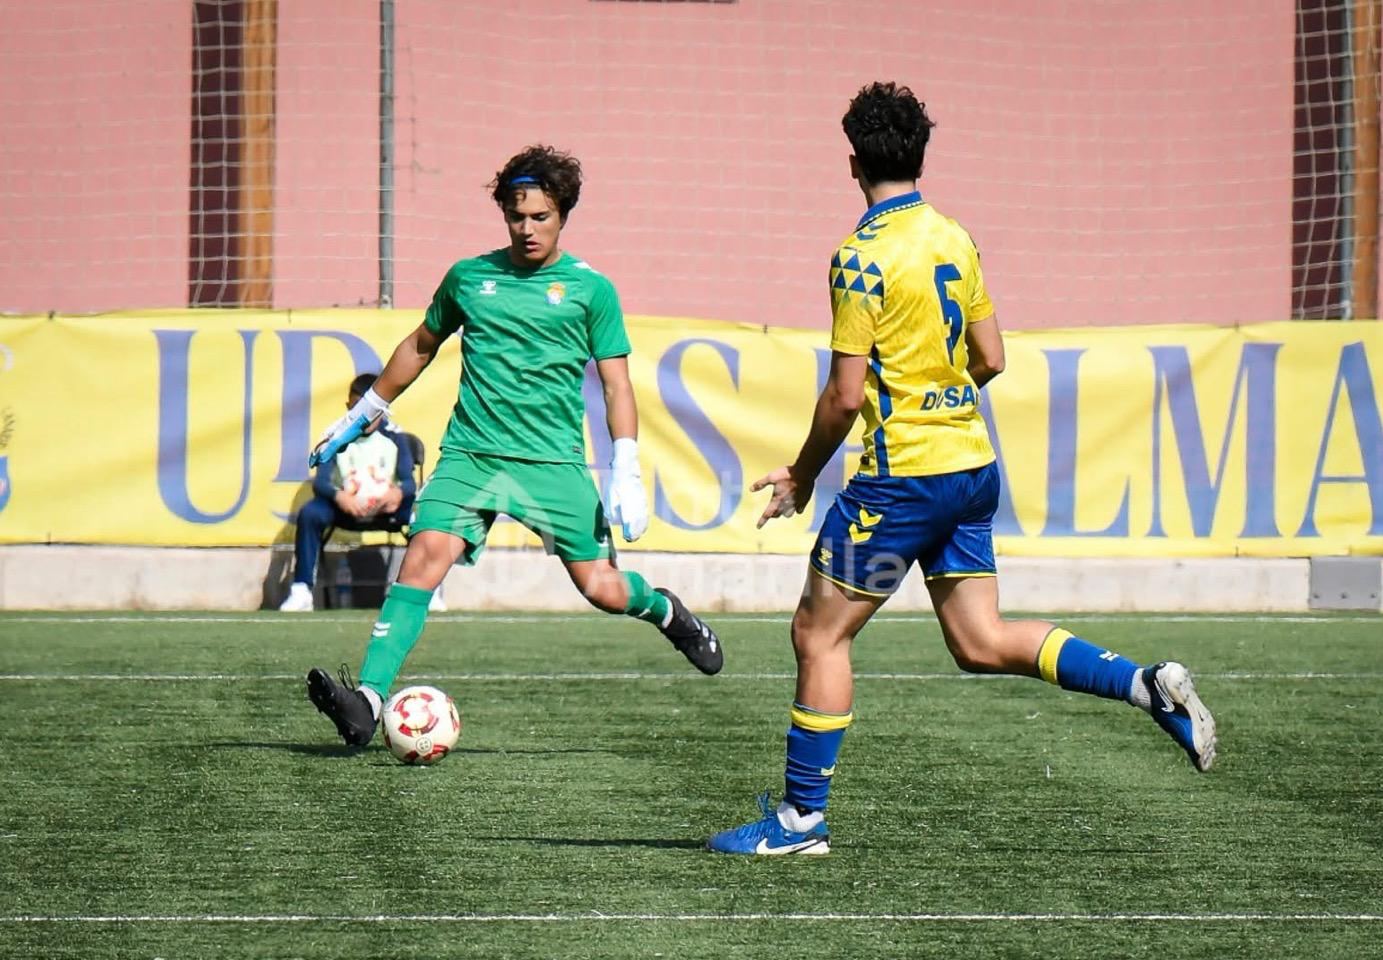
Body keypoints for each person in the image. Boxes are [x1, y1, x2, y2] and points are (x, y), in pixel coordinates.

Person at [707, 83, 1215, 857]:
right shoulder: (954, 236)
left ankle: (800, 820)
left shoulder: (861, 257)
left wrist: (805, 472)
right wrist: (939, 406)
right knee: (980, 640)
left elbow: (845, 397)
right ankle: (1146, 685)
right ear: (919, 155)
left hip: (900, 483)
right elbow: (992, 357)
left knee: (818, 635)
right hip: (971, 467)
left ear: (853, 163)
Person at [302, 144, 722, 746]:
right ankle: (367, 701)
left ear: (563, 215)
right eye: (517, 216)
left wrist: (625, 462)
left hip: (552, 463)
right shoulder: (470, 277)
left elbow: (616, 381)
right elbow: (422, 344)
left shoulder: (590, 290)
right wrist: (367, 412)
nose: (527, 228)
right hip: (472, 454)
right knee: (423, 555)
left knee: (602, 589)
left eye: (541, 217)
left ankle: (668, 613)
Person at [279, 373, 418, 612]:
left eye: (372, 410)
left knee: (423, 517)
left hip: (387, 509)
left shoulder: (396, 436)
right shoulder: (335, 435)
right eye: (357, 409)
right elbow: (321, 482)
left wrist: (397, 494)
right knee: (310, 513)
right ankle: (301, 590)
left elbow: (409, 482)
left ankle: (426, 591)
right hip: (345, 508)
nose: (365, 417)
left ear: (383, 407)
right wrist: (340, 497)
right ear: (348, 407)